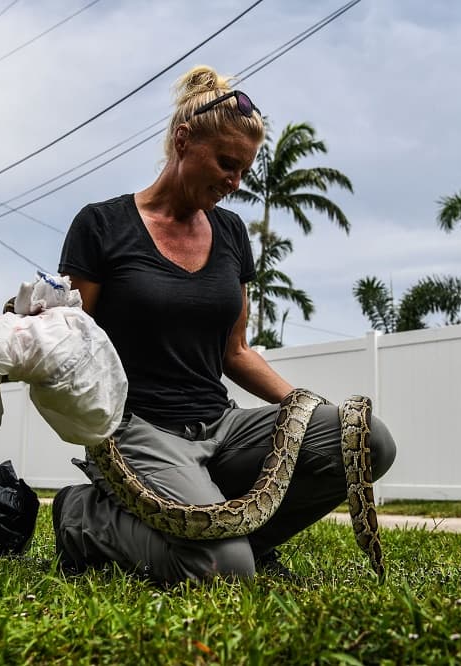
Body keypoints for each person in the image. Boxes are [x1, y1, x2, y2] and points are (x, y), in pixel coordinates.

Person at [52, 65, 396, 585]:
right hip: (135, 430)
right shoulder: (102, 225)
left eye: (243, 171)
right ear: (183, 140)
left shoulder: (232, 232)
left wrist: (308, 410)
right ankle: (82, 517)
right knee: (222, 569)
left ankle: (238, 539)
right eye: (226, 164)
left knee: (367, 440)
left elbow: (236, 351)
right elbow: (73, 338)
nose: (234, 183)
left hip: (220, 425)